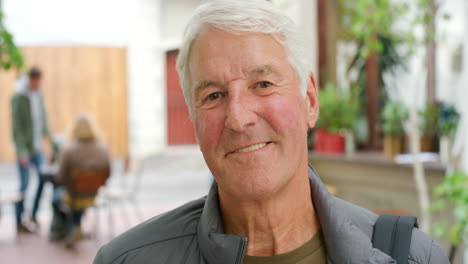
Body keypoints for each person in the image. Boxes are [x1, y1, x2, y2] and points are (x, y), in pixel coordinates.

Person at [94, 1, 449, 263]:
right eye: (213, 95)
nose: (238, 117)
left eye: (262, 84)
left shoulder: (413, 256)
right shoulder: (128, 259)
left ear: (309, 100)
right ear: (193, 120)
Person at [51, 113, 111, 246]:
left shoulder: (68, 149)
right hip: (93, 195)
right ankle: (76, 227)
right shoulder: (103, 148)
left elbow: (61, 177)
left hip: (73, 196)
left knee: (56, 198)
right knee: (77, 196)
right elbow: (107, 174)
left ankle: (69, 229)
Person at [11, 66, 55, 233]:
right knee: (24, 185)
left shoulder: (38, 95)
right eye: (36, 81)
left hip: (38, 149)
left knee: (44, 179)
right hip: (25, 150)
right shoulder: (19, 97)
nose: (38, 84)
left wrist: (51, 140)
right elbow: (17, 128)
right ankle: (19, 222)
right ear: (30, 79)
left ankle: (34, 216)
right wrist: (22, 152)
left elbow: (43, 121)